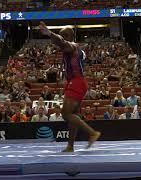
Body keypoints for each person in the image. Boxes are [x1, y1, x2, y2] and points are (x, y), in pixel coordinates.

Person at [39, 21, 100, 152]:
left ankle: (92, 133)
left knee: (66, 114)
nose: (57, 44)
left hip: (76, 82)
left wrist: (49, 33)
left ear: (67, 37)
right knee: (74, 115)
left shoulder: (71, 46)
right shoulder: (78, 49)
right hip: (78, 81)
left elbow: (61, 41)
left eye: (62, 36)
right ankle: (70, 146)